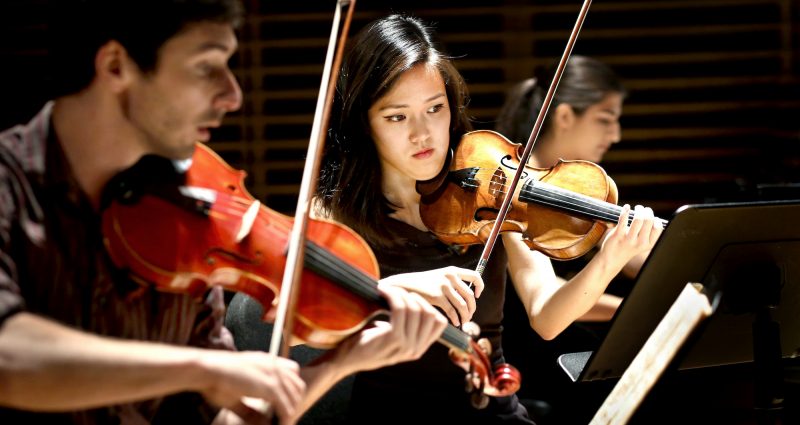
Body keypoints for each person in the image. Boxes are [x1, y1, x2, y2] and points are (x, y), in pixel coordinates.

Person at [0, 1, 449, 424]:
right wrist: (203, 368)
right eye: (206, 67)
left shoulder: (191, 213)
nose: (233, 94)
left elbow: (233, 418)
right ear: (117, 66)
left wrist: (343, 361)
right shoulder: (10, 182)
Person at [311, 14, 662, 424]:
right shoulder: (331, 213)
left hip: (492, 409)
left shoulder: (491, 182)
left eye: (435, 109)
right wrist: (392, 289)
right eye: (397, 117)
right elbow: (307, 321)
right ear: (364, 122)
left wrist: (609, 260)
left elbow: (548, 316)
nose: (422, 134)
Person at [494, 56, 650, 423]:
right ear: (564, 117)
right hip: (531, 363)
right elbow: (550, 301)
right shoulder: (509, 191)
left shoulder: (582, 188)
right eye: (605, 119)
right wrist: (636, 315)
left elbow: (636, 261)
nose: (615, 135)